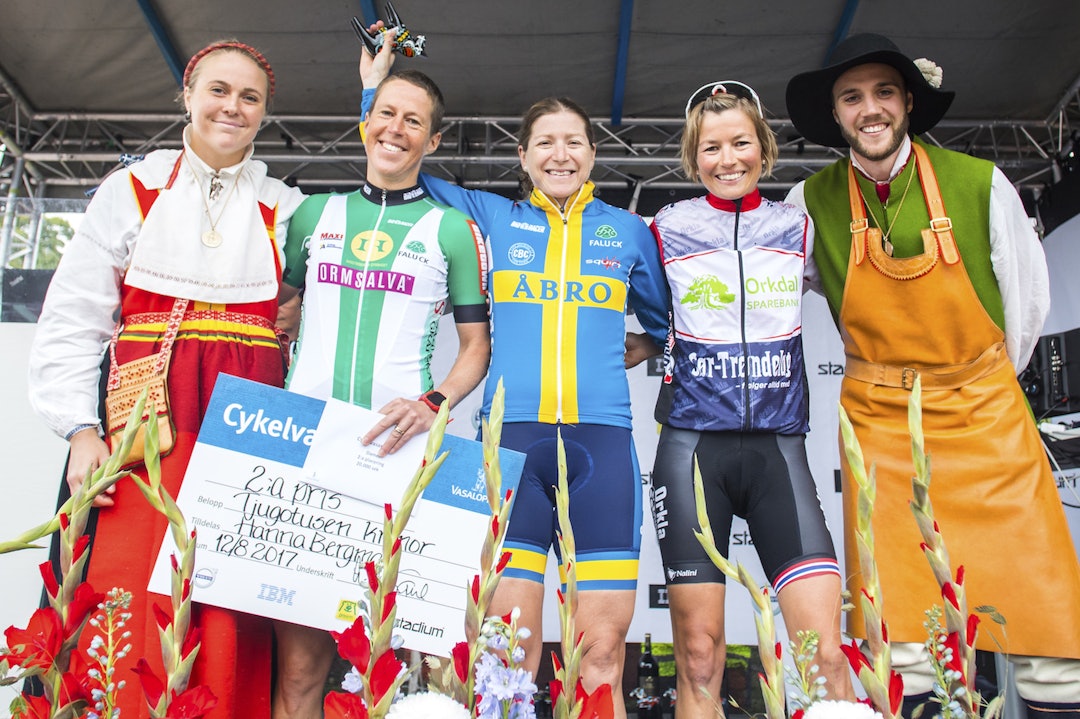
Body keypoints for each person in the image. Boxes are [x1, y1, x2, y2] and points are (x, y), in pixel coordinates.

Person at [359, 35, 670, 719]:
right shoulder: (493, 218)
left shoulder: (628, 232)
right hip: (510, 448)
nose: (561, 154)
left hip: (604, 447)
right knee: (509, 650)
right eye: (545, 143)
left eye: (575, 142)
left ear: (592, 154)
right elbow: (402, 162)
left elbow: (663, 319)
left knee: (601, 656)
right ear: (523, 157)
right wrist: (372, 96)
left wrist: (645, 345)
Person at [785, 33, 1080, 717]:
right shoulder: (810, 201)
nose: (871, 109)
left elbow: (1027, 306)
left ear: (908, 101)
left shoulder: (981, 183)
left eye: (884, 93)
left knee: (1050, 644)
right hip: (882, 436)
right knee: (908, 647)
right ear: (836, 115)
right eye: (852, 97)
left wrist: (974, 382)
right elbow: (768, 296)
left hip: (988, 422)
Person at [28, 41, 304, 719]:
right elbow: (74, 316)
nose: (231, 108)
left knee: (228, 584)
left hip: (245, 417)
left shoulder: (287, 207)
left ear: (265, 114)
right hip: (145, 416)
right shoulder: (134, 191)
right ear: (187, 95)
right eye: (218, 90)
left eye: (249, 98)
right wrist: (80, 429)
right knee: (128, 570)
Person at [625, 81, 852, 716]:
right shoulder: (665, 228)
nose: (728, 160)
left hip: (780, 453)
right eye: (711, 148)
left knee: (825, 652)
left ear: (765, 147)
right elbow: (622, 290)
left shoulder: (796, 226)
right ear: (694, 157)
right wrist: (646, 339)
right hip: (693, 455)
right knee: (699, 657)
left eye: (741, 143)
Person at [272, 68, 491, 719]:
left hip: (396, 462)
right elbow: (277, 316)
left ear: (433, 139)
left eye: (413, 121)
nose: (396, 129)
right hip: (306, 455)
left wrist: (432, 404)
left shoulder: (452, 229)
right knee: (300, 669)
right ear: (366, 120)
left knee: (393, 666)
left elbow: (476, 349)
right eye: (386, 114)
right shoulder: (312, 212)